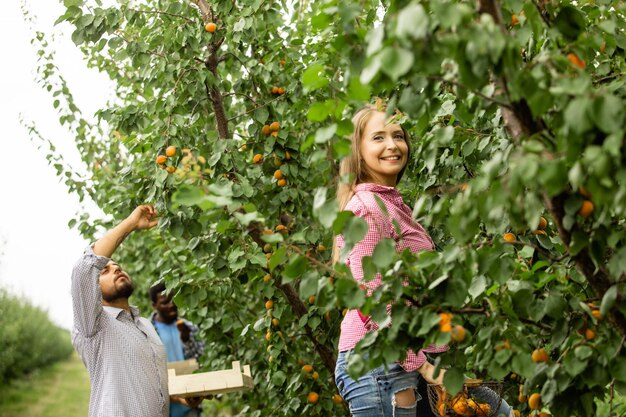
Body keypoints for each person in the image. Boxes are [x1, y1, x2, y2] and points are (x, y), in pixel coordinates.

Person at [332, 105, 513, 417]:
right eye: (378, 137)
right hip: (383, 363)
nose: (392, 145)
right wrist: (425, 367)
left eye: (398, 136)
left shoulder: (389, 203)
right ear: (358, 151)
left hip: (412, 359)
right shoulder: (366, 209)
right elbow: (369, 297)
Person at [71, 204, 200, 417]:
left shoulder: (145, 325)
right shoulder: (93, 326)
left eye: (118, 266)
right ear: (92, 288)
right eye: (105, 270)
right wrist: (131, 224)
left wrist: (180, 397)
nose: (116, 268)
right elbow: (85, 268)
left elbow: (151, 383)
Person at [149, 282, 205, 417]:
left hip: (189, 403)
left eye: (173, 300)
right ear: (154, 306)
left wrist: (186, 339)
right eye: (164, 302)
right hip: (162, 406)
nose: (171, 305)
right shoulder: (147, 332)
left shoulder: (189, 327)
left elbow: (201, 362)